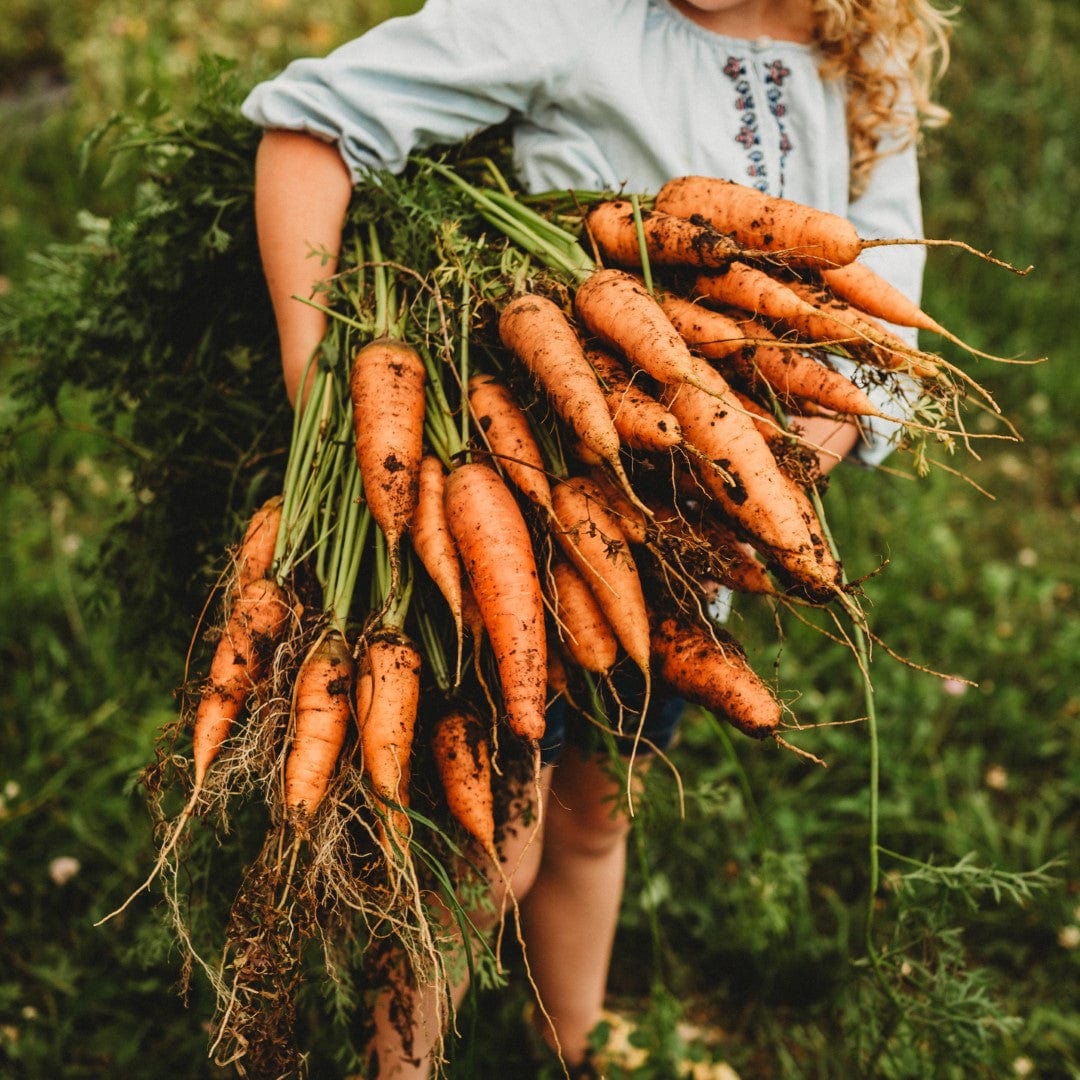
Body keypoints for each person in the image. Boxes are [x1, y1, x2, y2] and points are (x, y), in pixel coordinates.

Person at [240, 1, 953, 1074]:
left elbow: (884, 264)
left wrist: (845, 404)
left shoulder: (861, 55)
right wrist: (315, 379)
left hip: (685, 560)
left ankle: (574, 1049)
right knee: (491, 861)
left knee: (594, 819)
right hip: (528, 542)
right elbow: (311, 128)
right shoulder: (564, 17)